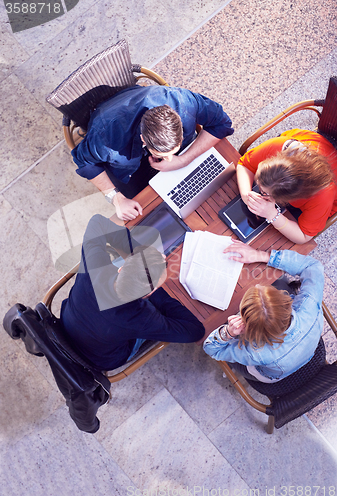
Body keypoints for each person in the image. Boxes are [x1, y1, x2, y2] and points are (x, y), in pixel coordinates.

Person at [60, 214, 205, 371]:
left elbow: (97, 221)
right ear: (149, 293)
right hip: (101, 359)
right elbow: (195, 331)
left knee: (113, 258)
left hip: (67, 326)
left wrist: (141, 261)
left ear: (122, 269)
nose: (164, 258)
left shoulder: (94, 266)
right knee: (151, 325)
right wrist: (160, 296)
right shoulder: (142, 318)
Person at [71, 85, 234, 220]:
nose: (170, 159)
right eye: (163, 155)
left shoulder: (183, 102)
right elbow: (84, 162)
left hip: (149, 128)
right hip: (128, 166)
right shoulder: (106, 137)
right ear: (143, 140)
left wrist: (184, 159)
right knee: (149, 215)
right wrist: (116, 198)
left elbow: (222, 123)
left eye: (173, 152)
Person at [203, 239, 324, 383]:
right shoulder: (309, 303)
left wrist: (228, 332)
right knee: (280, 282)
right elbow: (313, 266)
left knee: (233, 353)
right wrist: (262, 256)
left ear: (250, 328)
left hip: (270, 375)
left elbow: (212, 350)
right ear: (284, 302)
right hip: (308, 350)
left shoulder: (255, 353)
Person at [236, 128, 337, 244]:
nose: (258, 187)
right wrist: (246, 195)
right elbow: (244, 165)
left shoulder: (323, 197)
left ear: (286, 199)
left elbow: (303, 236)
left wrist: (272, 214)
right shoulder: (278, 145)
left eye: (263, 192)